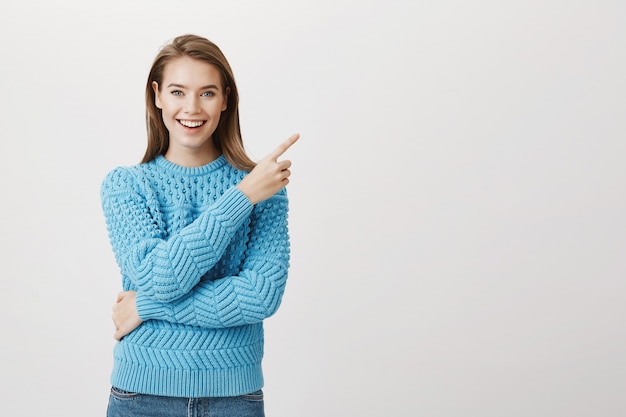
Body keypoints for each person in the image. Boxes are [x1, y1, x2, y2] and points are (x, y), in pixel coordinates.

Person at [100, 33, 298, 417]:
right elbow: (159, 276)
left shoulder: (267, 189)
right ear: (156, 95)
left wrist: (148, 306)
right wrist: (240, 198)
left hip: (234, 397)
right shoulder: (126, 186)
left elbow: (260, 296)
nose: (191, 107)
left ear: (226, 99)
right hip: (141, 396)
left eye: (207, 93)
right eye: (178, 91)